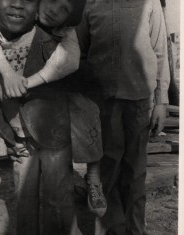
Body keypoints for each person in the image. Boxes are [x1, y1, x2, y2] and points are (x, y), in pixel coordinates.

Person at [0, 0, 107, 220]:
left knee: (86, 112)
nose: (53, 12)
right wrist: (8, 76)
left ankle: (94, 178)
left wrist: (24, 83)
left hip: (57, 95)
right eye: (50, 3)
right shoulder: (13, 26)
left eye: (63, 10)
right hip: (23, 107)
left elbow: (63, 65)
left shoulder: (65, 33)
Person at [76, 0, 170, 234]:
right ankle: (111, 230)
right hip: (103, 104)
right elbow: (80, 54)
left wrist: (160, 101)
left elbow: (160, 52)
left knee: (135, 173)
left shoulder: (149, 3)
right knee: (107, 171)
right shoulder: (90, 4)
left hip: (139, 102)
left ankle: (135, 229)